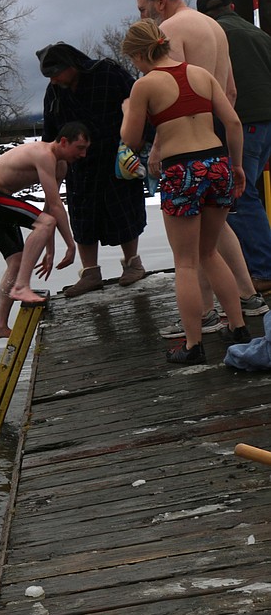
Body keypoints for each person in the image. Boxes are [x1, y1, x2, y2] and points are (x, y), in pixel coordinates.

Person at [133, 0, 268, 337]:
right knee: (218, 227)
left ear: (161, 1)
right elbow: (231, 90)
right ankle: (247, 295)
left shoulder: (172, 31)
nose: (148, 19)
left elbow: (173, 93)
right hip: (220, 132)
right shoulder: (214, 27)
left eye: (146, 10)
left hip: (186, 146)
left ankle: (204, 312)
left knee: (191, 251)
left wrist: (159, 148)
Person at [119, 19, 249, 364]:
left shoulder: (145, 85)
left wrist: (126, 112)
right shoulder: (201, 75)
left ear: (139, 53)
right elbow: (233, 122)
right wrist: (236, 166)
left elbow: (130, 142)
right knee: (210, 253)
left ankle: (193, 346)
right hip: (217, 164)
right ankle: (238, 327)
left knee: (186, 263)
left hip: (182, 171)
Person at [36, 42, 147, 296]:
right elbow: (50, 134)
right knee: (83, 218)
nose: (53, 81)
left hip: (115, 157)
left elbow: (139, 104)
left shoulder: (108, 73)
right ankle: (90, 273)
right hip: (79, 164)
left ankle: (133, 263)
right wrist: (50, 159)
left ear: (71, 65)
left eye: (55, 74)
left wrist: (140, 142)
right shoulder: (54, 92)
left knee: (124, 211)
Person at [0, 123, 88, 339]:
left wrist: (50, 250)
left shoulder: (60, 166)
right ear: (63, 142)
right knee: (44, 224)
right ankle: (22, 286)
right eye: (79, 148)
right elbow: (53, 209)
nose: (83, 154)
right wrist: (70, 245)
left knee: (16, 261)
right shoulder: (43, 154)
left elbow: (49, 207)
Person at [197, 0, 271, 294]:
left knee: (239, 196)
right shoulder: (260, 35)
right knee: (248, 191)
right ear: (232, 5)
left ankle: (263, 270)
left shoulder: (213, 36)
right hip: (267, 123)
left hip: (243, 122)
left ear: (203, 15)